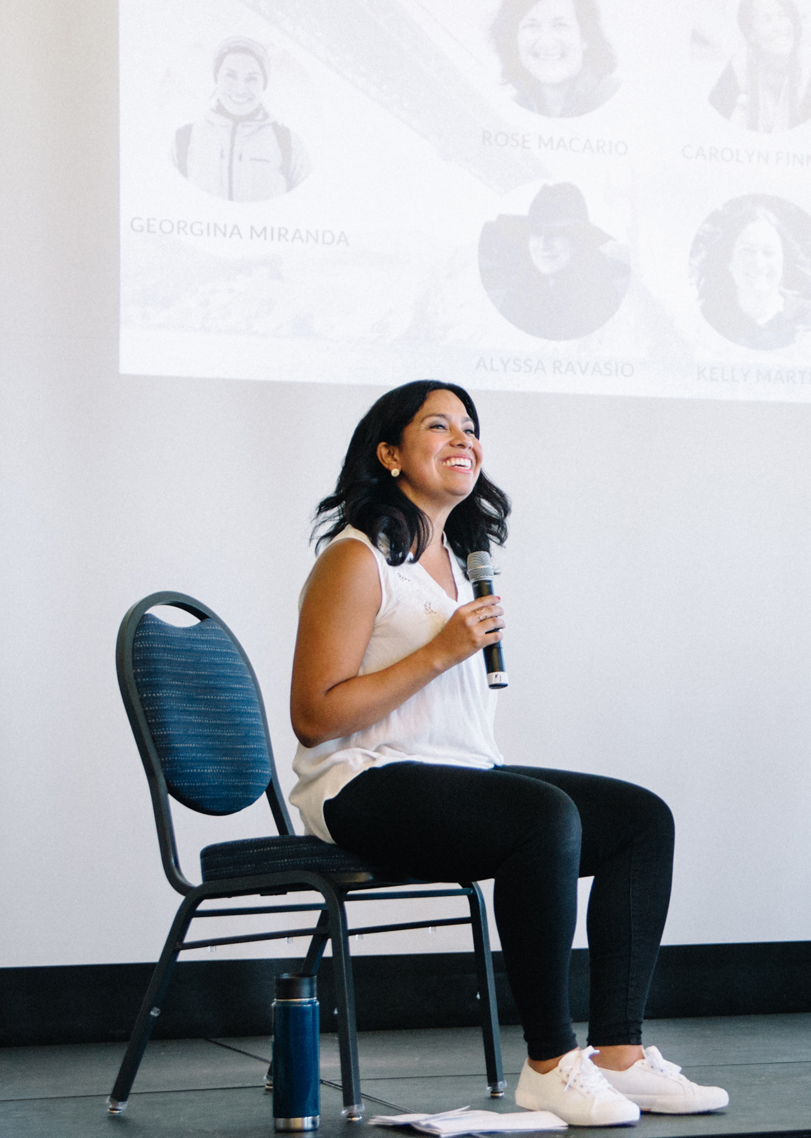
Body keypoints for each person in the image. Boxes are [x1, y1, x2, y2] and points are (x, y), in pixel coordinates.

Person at [288, 381, 725, 1127]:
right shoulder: (356, 558)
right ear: (389, 452)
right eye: (439, 425)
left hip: (457, 775)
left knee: (640, 819)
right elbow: (313, 714)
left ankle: (618, 1053)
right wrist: (442, 650)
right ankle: (551, 1062)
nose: (464, 439)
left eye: (471, 426)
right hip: (361, 783)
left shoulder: (461, 560)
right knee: (542, 816)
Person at [477, 183, 630, 341]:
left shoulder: (601, 296)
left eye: (556, 233)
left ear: (578, 239)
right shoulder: (519, 288)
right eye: (536, 232)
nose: (543, 245)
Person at [172, 36, 310, 201]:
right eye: (230, 76)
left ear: (263, 84)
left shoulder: (287, 143)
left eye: (252, 78)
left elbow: (308, 206)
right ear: (217, 79)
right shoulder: (184, 140)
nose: (240, 88)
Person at [491, 0, 620, 118]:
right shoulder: (509, 112)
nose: (547, 41)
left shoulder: (616, 101)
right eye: (532, 25)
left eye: (560, 25)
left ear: (585, 36)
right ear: (513, 39)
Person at [693, 203, 811, 350]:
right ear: (729, 262)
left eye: (768, 252)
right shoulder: (707, 323)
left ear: (784, 262)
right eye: (748, 251)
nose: (759, 263)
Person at [708, 0, 811, 132]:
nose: (779, 27)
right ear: (751, 34)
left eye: (783, 16)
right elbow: (710, 123)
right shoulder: (740, 65)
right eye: (767, 20)